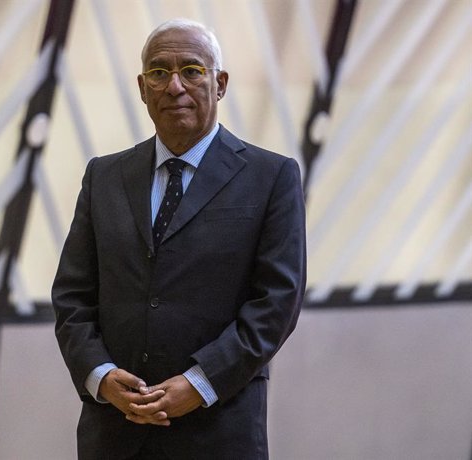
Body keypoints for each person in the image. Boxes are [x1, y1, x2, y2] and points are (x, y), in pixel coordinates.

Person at [52, 18, 306, 460]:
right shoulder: (104, 176)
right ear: (142, 86)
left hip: (218, 429)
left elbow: (277, 302)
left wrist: (200, 383)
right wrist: (100, 375)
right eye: (158, 72)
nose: (174, 86)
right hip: (114, 433)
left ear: (220, 83)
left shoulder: (272, 177)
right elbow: (73, 296)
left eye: (192, 70)